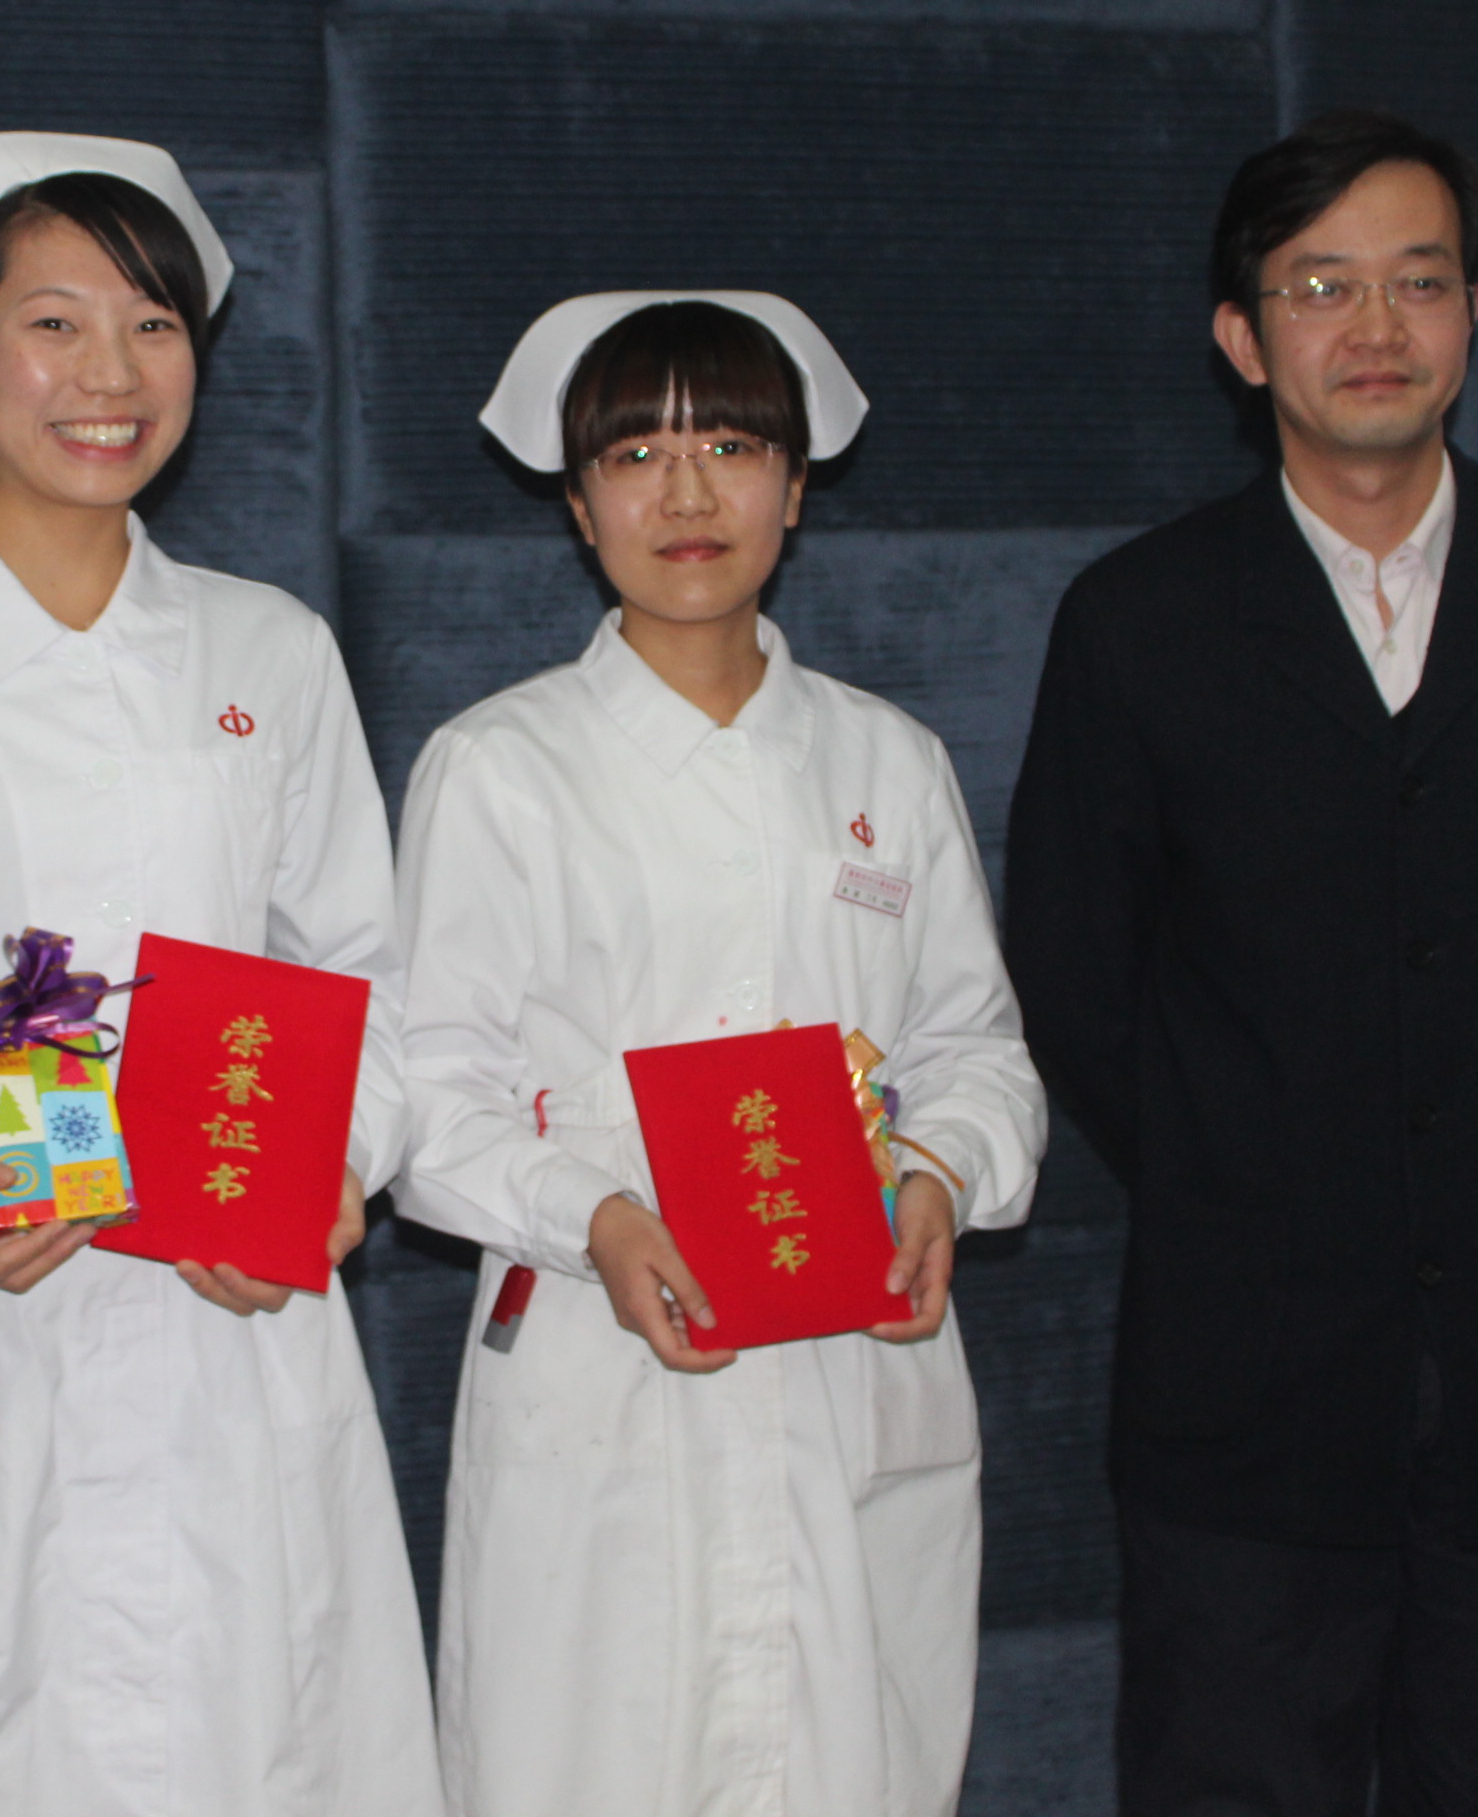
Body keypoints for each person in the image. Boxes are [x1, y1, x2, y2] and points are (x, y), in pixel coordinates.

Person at [1003, 109, 1478, 1816]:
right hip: (1250, 1395)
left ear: (1475, 316)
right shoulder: (1137, 619)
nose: (1375, 327)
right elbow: (1081, 979)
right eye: (1321, 287)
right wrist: (1260, 1171)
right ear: (1243, 339)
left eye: (1419, 281)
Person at [0, 133, 441, 1817]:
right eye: (53, 324)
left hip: (225, 1326)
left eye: (152, 325)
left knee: (241, 1747)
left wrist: (332, 1166)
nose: (109, 376)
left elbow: (367, 972)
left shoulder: (271, 649)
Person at [391, 292, 1049, 1817]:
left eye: (733, 447)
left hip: (850, 1372)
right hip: (599, 1368)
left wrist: (940, 1176)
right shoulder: (499, 768)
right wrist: (597, 1220)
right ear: (578, 504)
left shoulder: (889, 762)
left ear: (796, 487)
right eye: (637, 454)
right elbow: (428, 1096)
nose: (687, 493)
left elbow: (979, 1047)